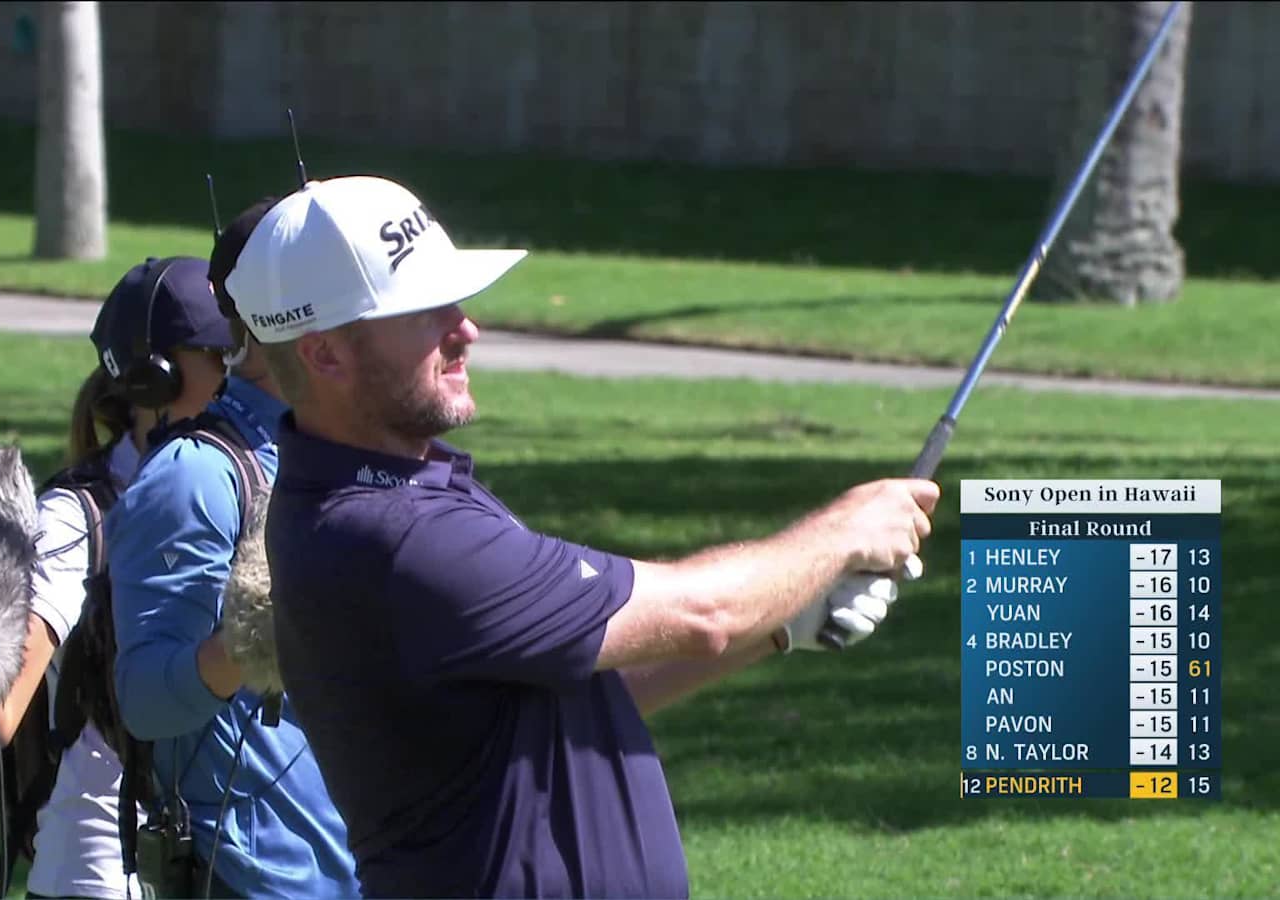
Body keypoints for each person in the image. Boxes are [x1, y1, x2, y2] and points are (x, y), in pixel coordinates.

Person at [220, 174, 941, 898]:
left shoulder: (398, 490)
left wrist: (785, 620)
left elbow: (581, 677)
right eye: (424, 311)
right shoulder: (400, 536)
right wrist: (844, 531)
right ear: (325, 355)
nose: (466, 329)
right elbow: (703, 613)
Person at [0, 256, 238, 899]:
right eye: (223, 356)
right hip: (102, 872)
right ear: (152, 378)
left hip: (221, 859)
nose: (242, 371)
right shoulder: (76, 519)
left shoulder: (233, 485)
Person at [103, 223, 359, 898]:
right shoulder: (194, 477)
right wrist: (257, 636)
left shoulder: (359, 455)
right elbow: (145, 700)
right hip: (261, 878)